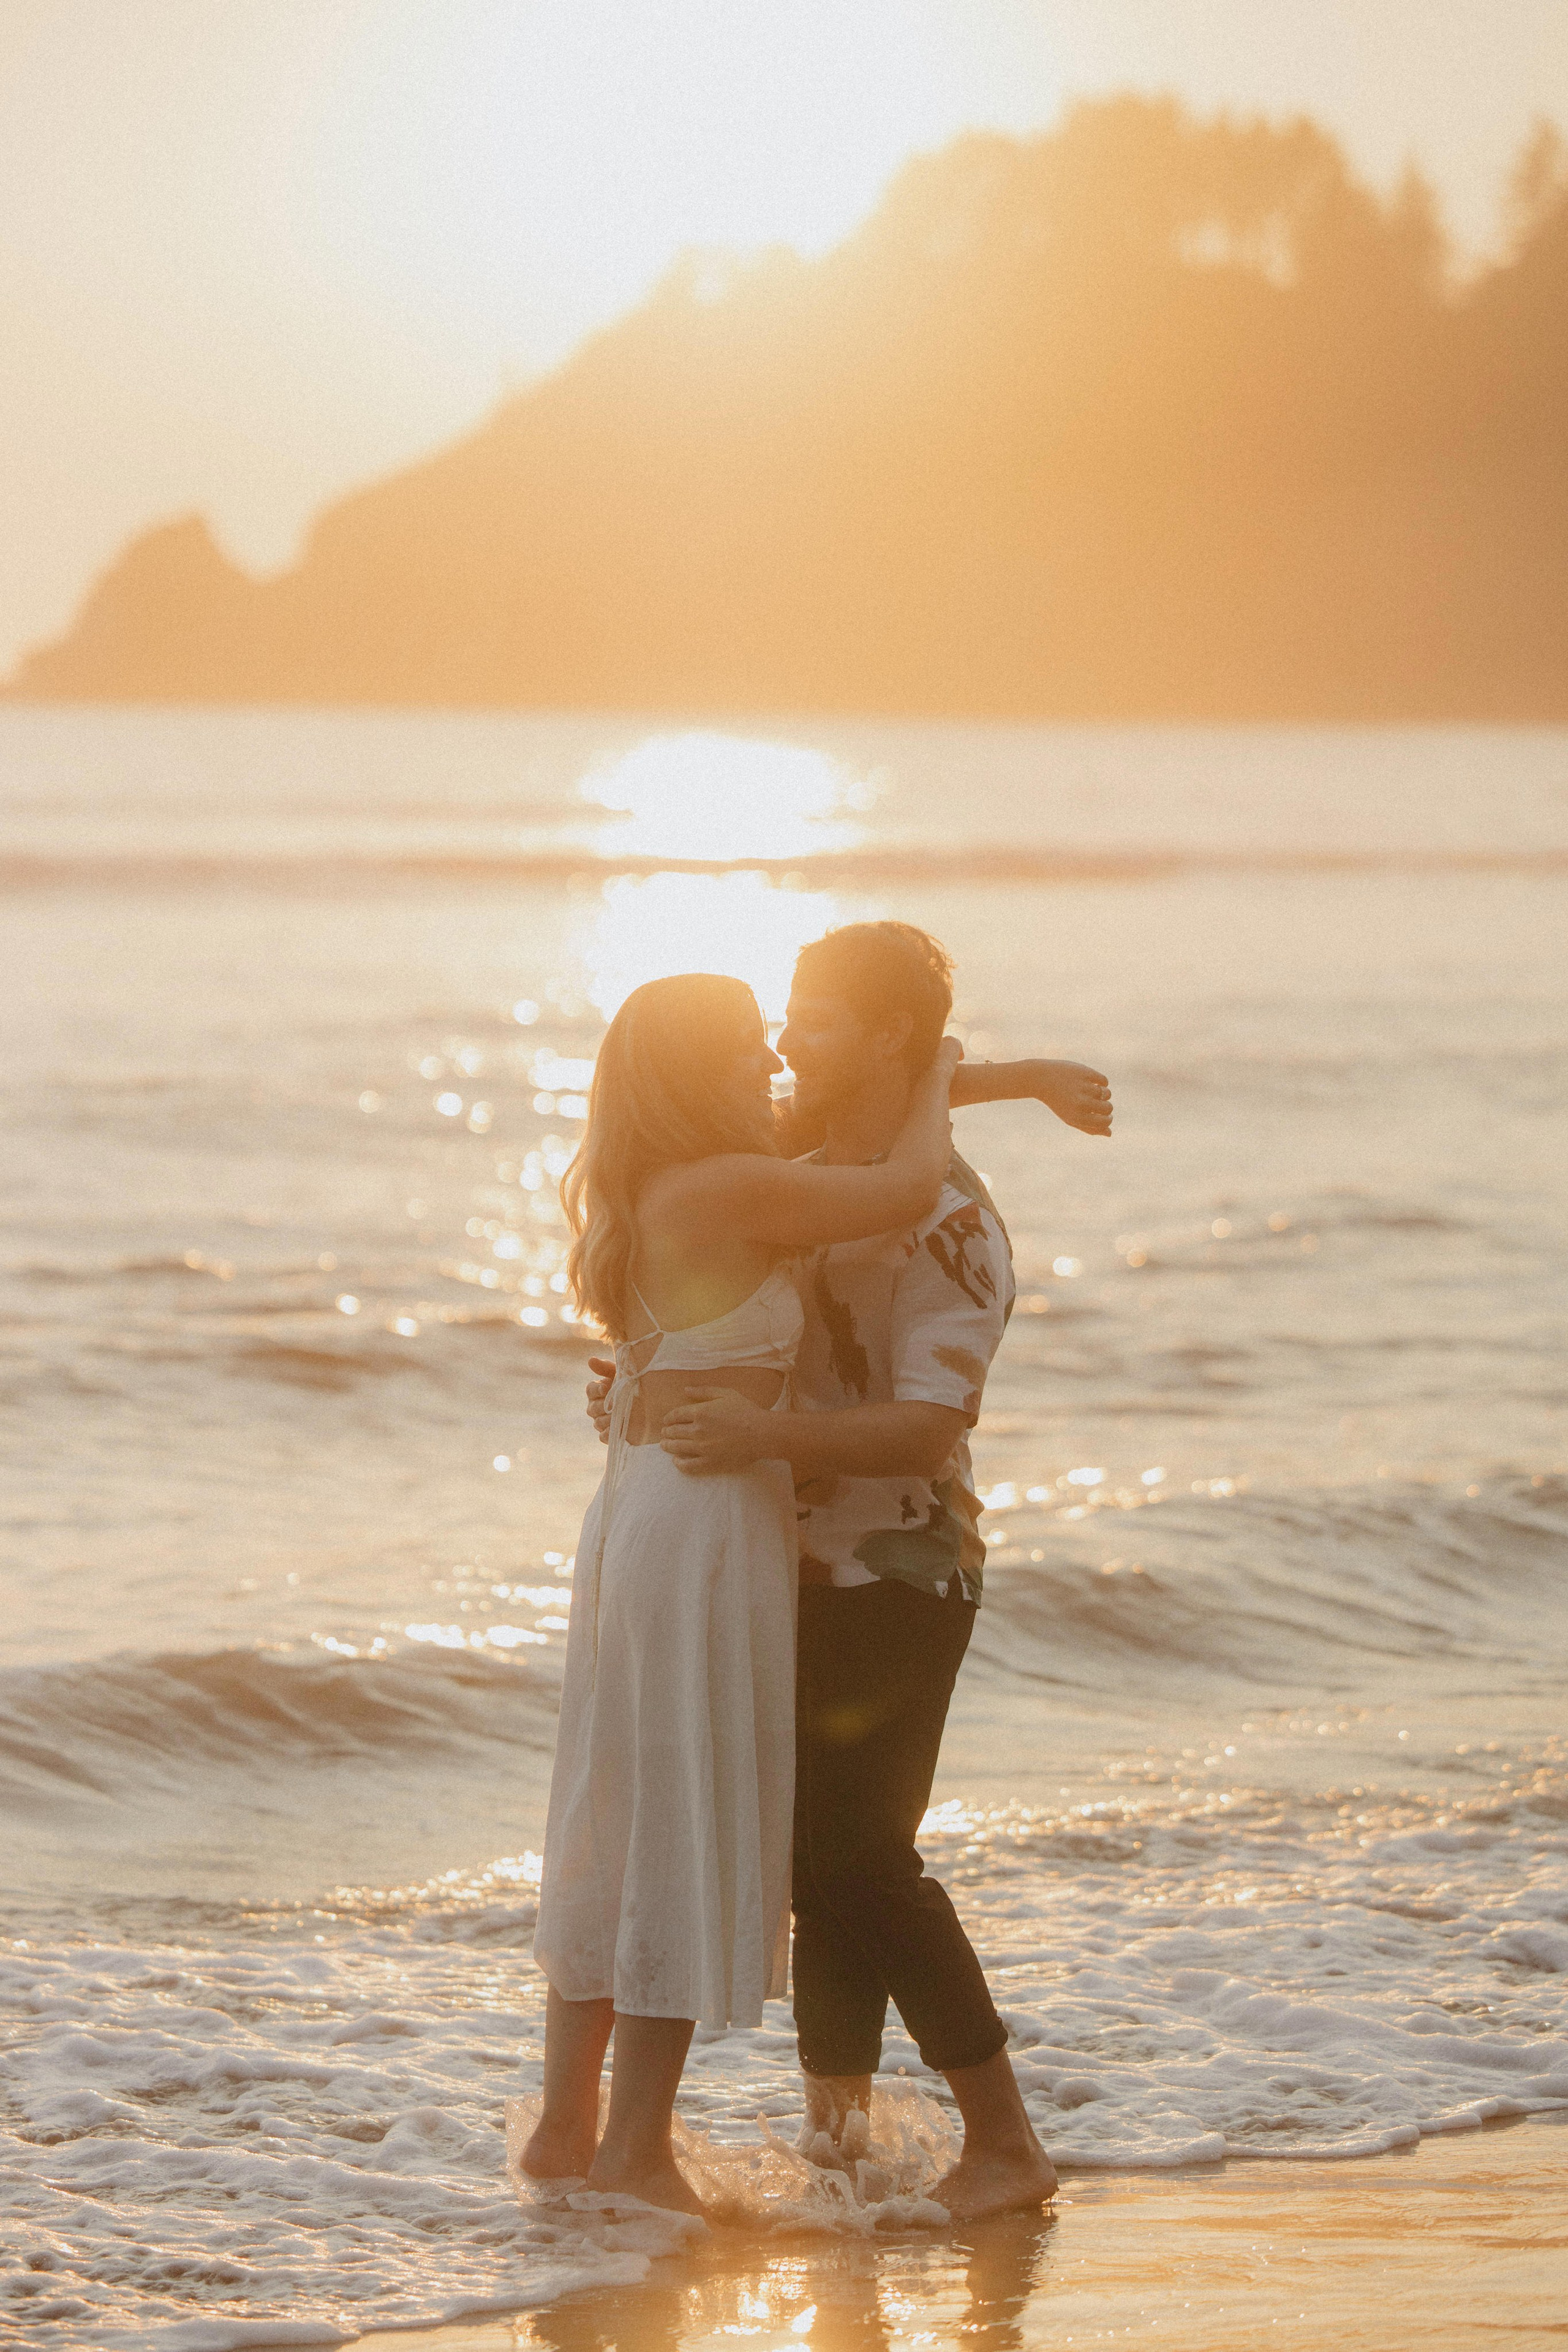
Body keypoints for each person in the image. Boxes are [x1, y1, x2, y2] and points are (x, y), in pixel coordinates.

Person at [604, 922, 1105, 2218]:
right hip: (778, 1564)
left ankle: (1004, 2145)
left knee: (858, 1857)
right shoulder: (804, 1157)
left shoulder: (946, 1220)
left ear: (880, 1037)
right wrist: (658, 1383)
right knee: (812, 1865)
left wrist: (759, 1435)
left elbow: (930, 1428)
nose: (782, 1043)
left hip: (897, 1573)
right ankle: (840, 2136)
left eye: (810, 1018)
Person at [522, 970, 967, 2215]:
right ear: (692, 1070)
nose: (770, 1062)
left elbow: (846, 1132)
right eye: (742, 1047)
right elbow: (903, 1185)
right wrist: (938, 1070)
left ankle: (568, 2134)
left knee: (620, 1813)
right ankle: (635, 2155)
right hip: (706, 1525)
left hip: (641, 1511)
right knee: (673, 1818)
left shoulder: (653, 1181)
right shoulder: (730, 1187)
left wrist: (1003, 1078)